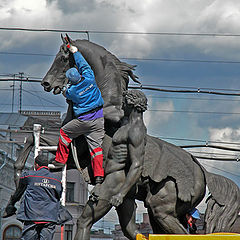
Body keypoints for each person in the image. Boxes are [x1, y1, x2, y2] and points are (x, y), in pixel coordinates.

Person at [74, 90, 147, 239]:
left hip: (116, 181)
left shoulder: (136, 129)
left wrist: (121, 194)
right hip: (122, 182)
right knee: (130, 231)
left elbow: (137, 165)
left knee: (84, 221)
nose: (122, 106)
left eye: (125, 102)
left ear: (132, 104)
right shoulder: (128, 125)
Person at [49, 41, 105, 185]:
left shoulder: (72, 92)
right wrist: (75, 52)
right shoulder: (89, 77)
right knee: (96, 150)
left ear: (70, 80)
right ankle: (99, 176)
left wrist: (62, 87)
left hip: (83, 122)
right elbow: (84, 65)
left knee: (64, 133)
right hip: (98, 119)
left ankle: (60, 161)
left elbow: (64, 92)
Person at [3, 155, 63, 240]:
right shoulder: (57, 180)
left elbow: (19, 190)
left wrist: (12, 203)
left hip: (32, 216)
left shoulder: (29, 175)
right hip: (49, 217)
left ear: (36, 164)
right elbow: (59, 195)